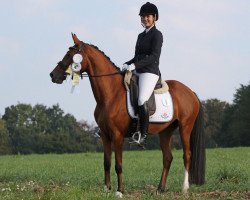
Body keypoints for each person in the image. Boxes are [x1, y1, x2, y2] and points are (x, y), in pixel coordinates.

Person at [123, 2, 163, 146]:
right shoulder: (140, 36)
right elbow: (136, 56)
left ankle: (143, 135)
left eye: (148, 16)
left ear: (154, 18)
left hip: (150, 73)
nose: (145, 18)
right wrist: (127, 63)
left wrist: (135, 65)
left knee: (141, 99)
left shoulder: (157, 35)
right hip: (138, 70)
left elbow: (153, 57)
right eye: (143, 16)